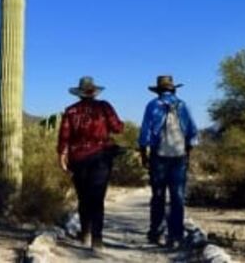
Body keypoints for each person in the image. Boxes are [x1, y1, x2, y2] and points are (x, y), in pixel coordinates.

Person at [57, 76, 124, 251]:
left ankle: (85, 232)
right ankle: (97, 239)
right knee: (97, 198)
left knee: (83, 197)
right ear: (94, 92)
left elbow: (64, 136)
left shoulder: (71, 111)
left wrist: (62, 156)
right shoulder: (104, 107)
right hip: (101, 158)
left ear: (79, 93)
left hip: (78, 158)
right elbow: (117, 128)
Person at [138, 74, 199, 249]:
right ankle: (176, 235)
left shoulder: (152, 105)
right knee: (177, 196)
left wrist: (143, 154)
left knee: (158, 195)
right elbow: (192, 133)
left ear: (158, 91)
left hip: (159, 156)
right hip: (179, 156)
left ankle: (156, 233)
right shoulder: (183, 105)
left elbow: (145, 133)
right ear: (173, 90)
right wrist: (187, 153)